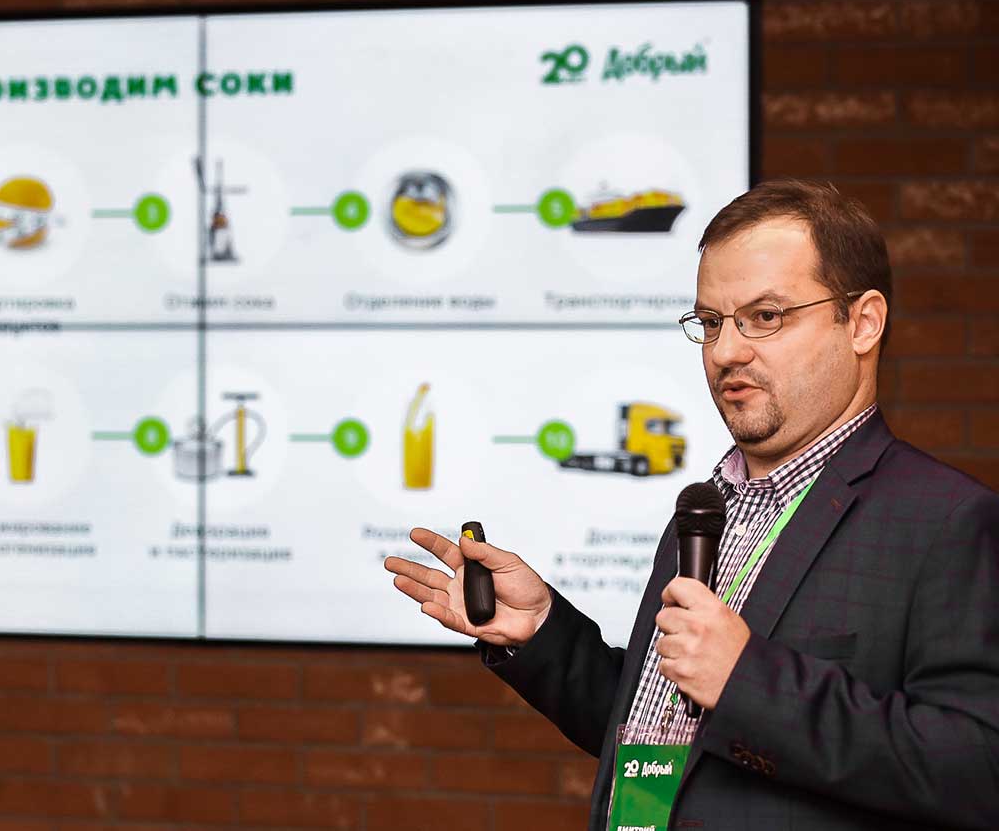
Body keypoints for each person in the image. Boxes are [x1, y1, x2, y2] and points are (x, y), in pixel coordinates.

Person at [385, 179, 999, 830]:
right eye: (710, 323)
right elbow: (667, 737)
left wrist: (747, 681)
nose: (726, 351)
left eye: (766, 316)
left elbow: (979, 769)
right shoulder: (708, 509)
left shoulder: (947, 522)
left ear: (863, 322)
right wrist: (541, 631)